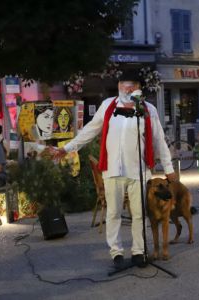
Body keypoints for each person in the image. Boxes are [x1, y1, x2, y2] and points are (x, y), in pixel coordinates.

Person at [51, 70, 176, 269]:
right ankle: (116, 252)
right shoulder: (108, 105)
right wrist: (66, 148)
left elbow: (159, 140)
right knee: (114, 213)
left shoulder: (148, 109)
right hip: (113, 170)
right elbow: (90, 130)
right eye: (123, 84)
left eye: (132, 84)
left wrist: (169, 167)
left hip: (138, 170)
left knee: (139, 214)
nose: (127, 88)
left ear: (139, 88)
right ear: (118, 86)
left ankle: (138, 251)